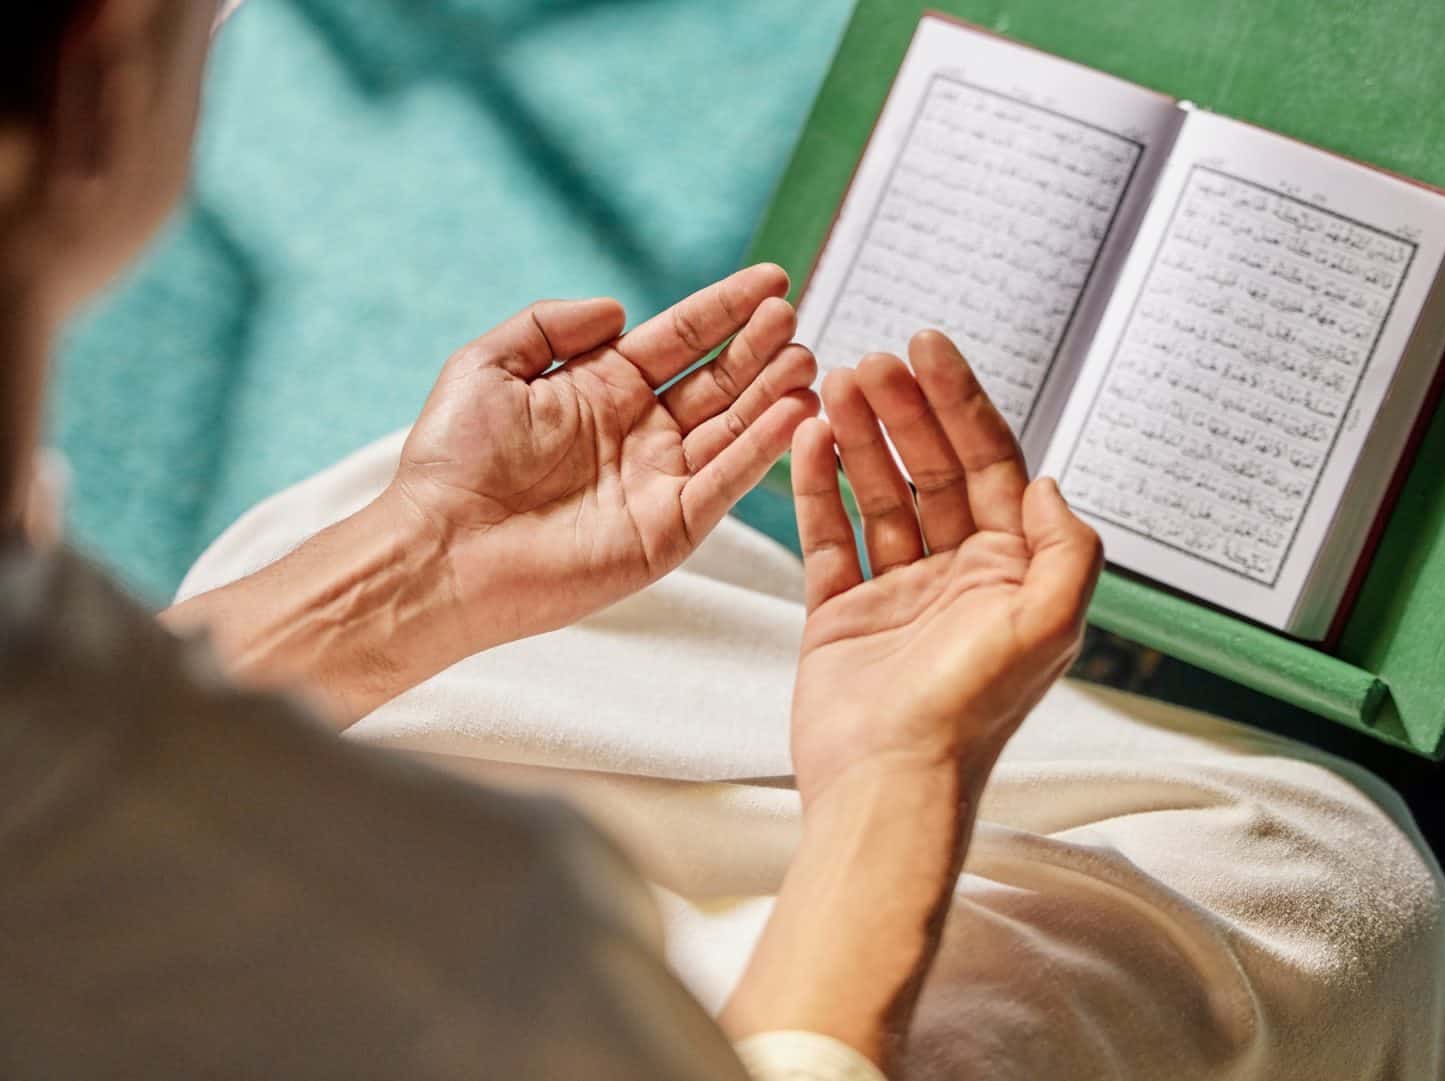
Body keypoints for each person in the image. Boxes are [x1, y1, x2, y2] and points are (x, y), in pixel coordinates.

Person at [0, 3, 1104, 1077]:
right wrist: (896, 772)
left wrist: (424, 555)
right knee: (1187, 892)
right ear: (99, 79)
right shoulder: (472, 945)